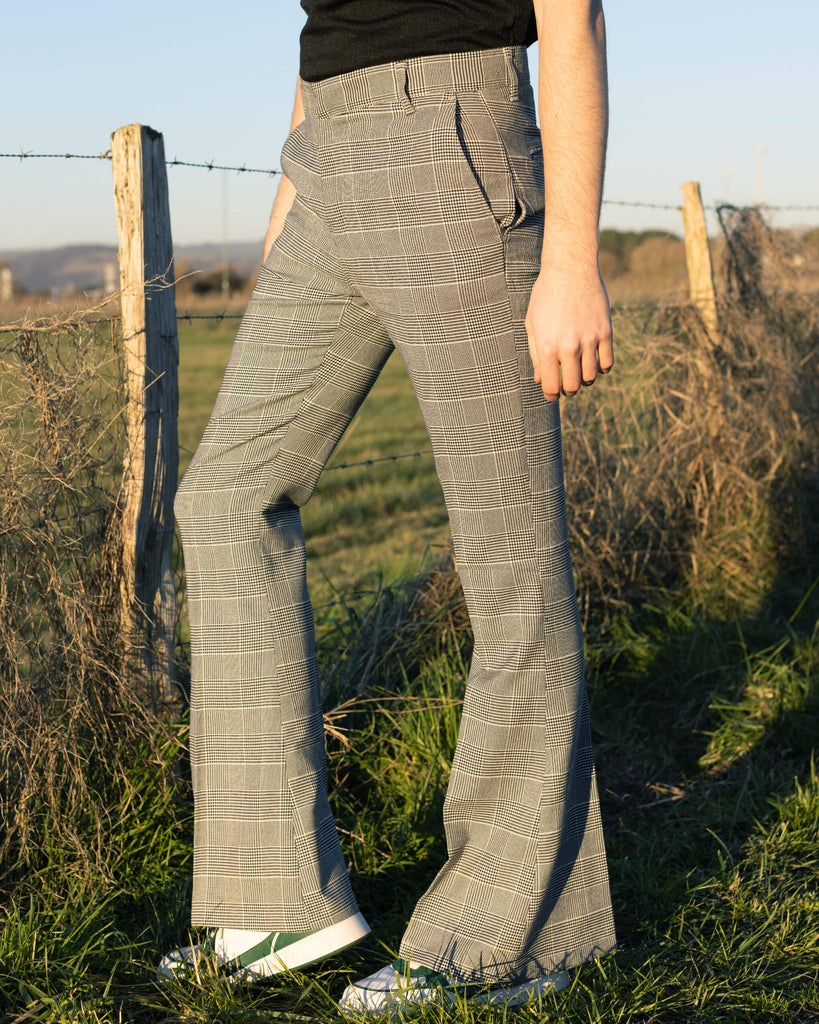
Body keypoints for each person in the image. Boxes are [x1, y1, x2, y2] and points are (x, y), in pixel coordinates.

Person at [160, 0, 617, 1015]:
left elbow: (572, 14)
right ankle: (282, 911)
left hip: (453, 140)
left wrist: (572, 260)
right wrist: (294, 185)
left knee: (511, 563)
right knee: (227, 497)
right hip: (328, 154)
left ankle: (513, 934)